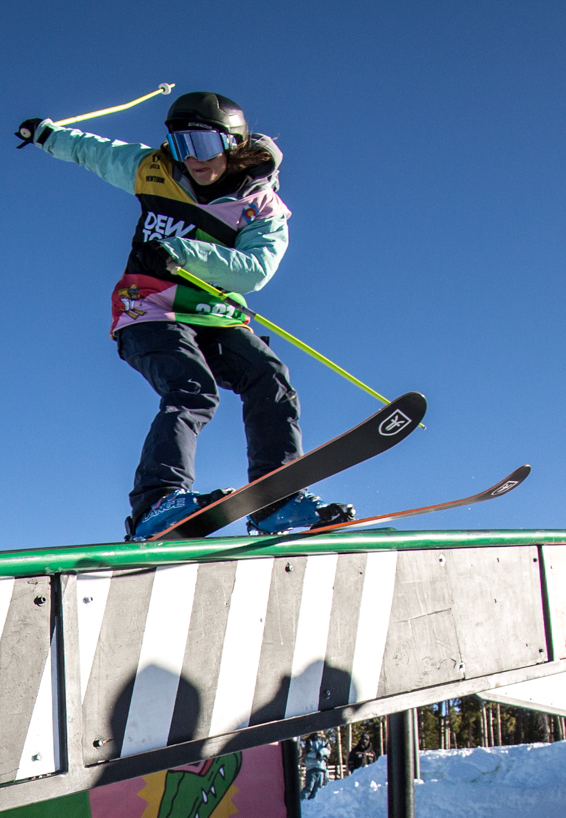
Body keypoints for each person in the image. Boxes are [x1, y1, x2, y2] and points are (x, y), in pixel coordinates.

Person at [17, 92, 352, 542]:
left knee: (269, 377)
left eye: (204, 146)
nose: (192, 159)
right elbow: (91, 151)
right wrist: (47, 135)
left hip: (214, 315)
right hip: (147, 308)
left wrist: (180, 251)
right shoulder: (152, 169)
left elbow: (254, 269)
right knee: (192, 389)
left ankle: (277, 499)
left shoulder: (262, 207)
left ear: (233, 145)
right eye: (180, 145)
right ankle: (158, 503)